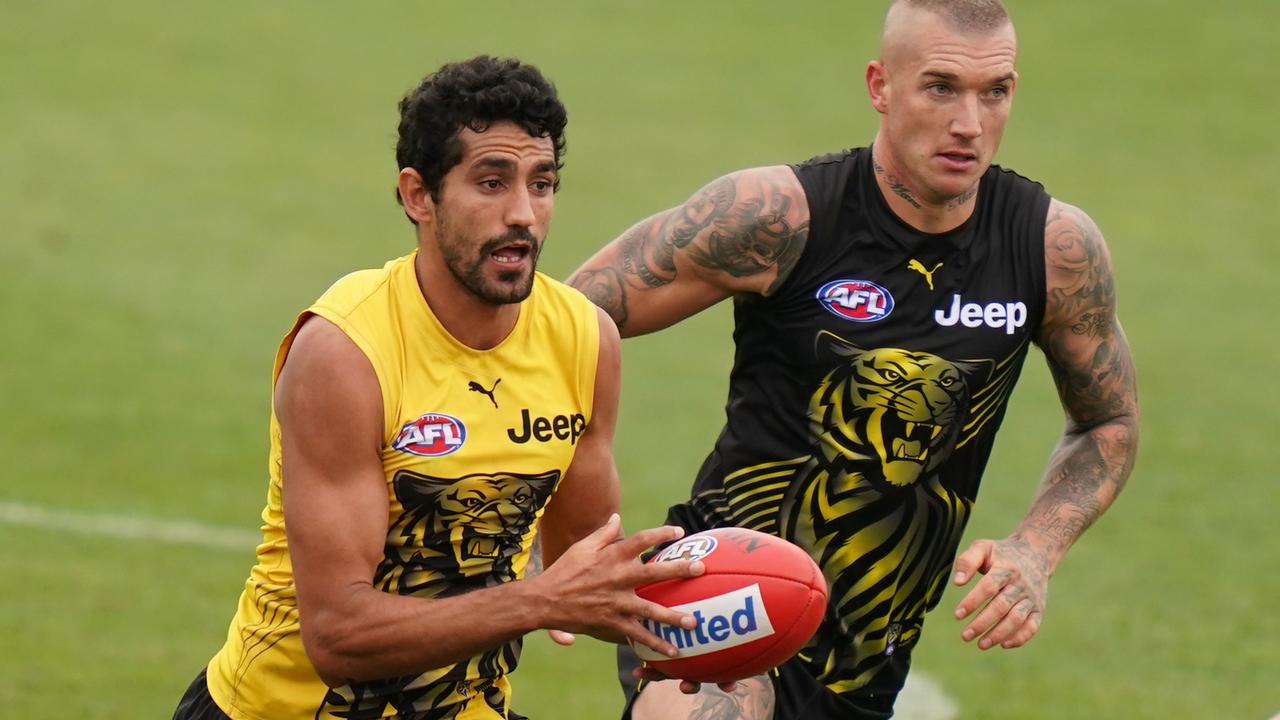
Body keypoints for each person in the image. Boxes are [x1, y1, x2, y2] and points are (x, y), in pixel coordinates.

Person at [568, 1, 1140, 718]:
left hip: (866, 663)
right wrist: (558, 516)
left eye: (994, 91)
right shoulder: (777, 216)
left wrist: (1034, 549)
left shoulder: (1052, 250)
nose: (969, 122)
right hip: (723, 599)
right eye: (940, 87)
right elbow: (561, 327)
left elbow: (1108, 421)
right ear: (881, 86)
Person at [172, 56, 707, 720]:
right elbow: (338, 634)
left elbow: (583, 574)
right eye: (491, 182)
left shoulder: (584, 340)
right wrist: (541, 600)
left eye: (542, 184)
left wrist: (714, 615)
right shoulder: (346, 351)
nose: (523, 215)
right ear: (418, 196)